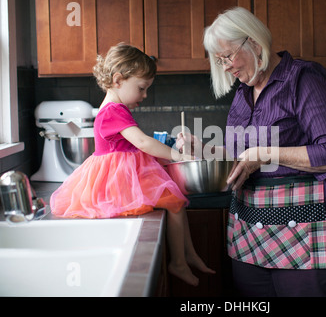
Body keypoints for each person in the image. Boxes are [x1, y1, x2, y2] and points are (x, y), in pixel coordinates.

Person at [177, 7, 326, 296]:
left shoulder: (302, 79)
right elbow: (245, 152)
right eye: (219, 60)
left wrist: (268, 154)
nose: (225, 67)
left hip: (306, 224)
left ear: (254, 42)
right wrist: (204, 148)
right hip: (251, 225)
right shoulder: (243, 91)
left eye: (228, 56)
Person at [50, 43, 214, 286]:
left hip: (123, 172)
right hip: (120, 179)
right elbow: (142, 142)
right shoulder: (114, 110)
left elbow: (135, 146)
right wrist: (178, 157)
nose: (145, 95)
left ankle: (187, 254)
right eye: (141, 88)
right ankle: (179, 262)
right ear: (118, 80)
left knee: (176, 202)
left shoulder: (112, 109)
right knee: (175, 203)